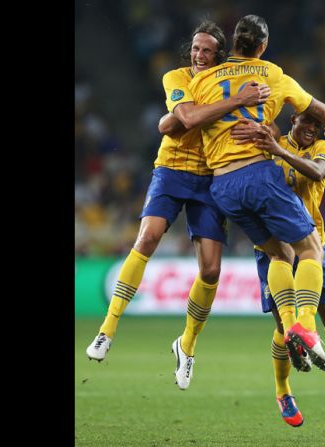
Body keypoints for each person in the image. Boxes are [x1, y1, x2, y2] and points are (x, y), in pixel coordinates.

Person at [85, 21, 270, 391]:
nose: (199, 55)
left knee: (212, 270)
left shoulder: (225, 79)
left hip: (213, 177)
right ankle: (107, 329)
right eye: (195, 49)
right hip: (171, 170)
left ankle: (186, 346)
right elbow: (184, 119)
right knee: (148, 238)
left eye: (207, 51)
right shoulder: (177, 77)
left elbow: (176, 120)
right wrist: (230, 102)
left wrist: (178, 118)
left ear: (220, 55)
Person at [167, 14, 325, 376]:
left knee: (278, 252)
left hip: (222, 187)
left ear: (232, 43)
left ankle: (286, 325)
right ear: (263, 46)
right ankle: (305, 327)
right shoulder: (272, 75)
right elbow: (324, 113)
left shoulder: (200, 79)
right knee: (310, 247)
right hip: (257, 174)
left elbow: (177, 122)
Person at [231, 112, 325, 428]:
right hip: (272, 245)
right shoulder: (269, 141)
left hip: (311, 242)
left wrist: (280, 151)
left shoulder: (324, 149)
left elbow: (320, 172)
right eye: (306, 122)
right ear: (293, 118)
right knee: (284, 327)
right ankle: (283, 392)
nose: (311, 128)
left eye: (317, 125)